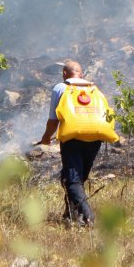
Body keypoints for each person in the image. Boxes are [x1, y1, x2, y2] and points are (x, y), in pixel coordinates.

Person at [38, 59, 112, 225]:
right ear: (82, 74)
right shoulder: (93, 89)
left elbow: (53, 120)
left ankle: (87, 217)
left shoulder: (61, 87)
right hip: (95, 137)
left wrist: (46, 137)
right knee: (78, 178)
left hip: (73, 138)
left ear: (64, 73)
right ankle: (70, 215)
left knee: (72, 180)